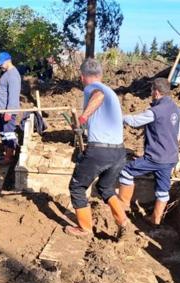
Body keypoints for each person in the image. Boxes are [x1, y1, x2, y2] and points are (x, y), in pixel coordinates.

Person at [64, 58, 128, 237]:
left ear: (82, 76)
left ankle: (84, 229)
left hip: (100, 151)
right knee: (106, 188)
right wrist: (81, 127)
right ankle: (123, 220)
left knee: (77, 187)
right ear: (101, 74)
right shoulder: (112, 93)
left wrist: (82, 118)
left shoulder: (93, 88)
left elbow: (97, 96)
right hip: (119, 152)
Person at [118, 78, 180, 225]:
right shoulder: (177, 110)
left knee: (126, 172)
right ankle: (156, 219)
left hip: (155, 157)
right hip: (170, 157)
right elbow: (179, 133)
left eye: (151, 90)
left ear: (157, 92)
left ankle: (123, 207)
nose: (151, 93)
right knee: (162, 190)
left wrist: (119, 118)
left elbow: (135, 122)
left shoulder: (156, 111)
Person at [0, 51, 21, 166]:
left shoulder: (13, 75)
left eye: (1, 63)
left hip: (7, 112)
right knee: (2, 132)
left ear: (8, 61)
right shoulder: (6, 73)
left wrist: (9, 112)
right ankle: (6, 153)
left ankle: (9, 158)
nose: (0, 65)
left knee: (9, 133)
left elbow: (13, 95)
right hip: (1, 111)